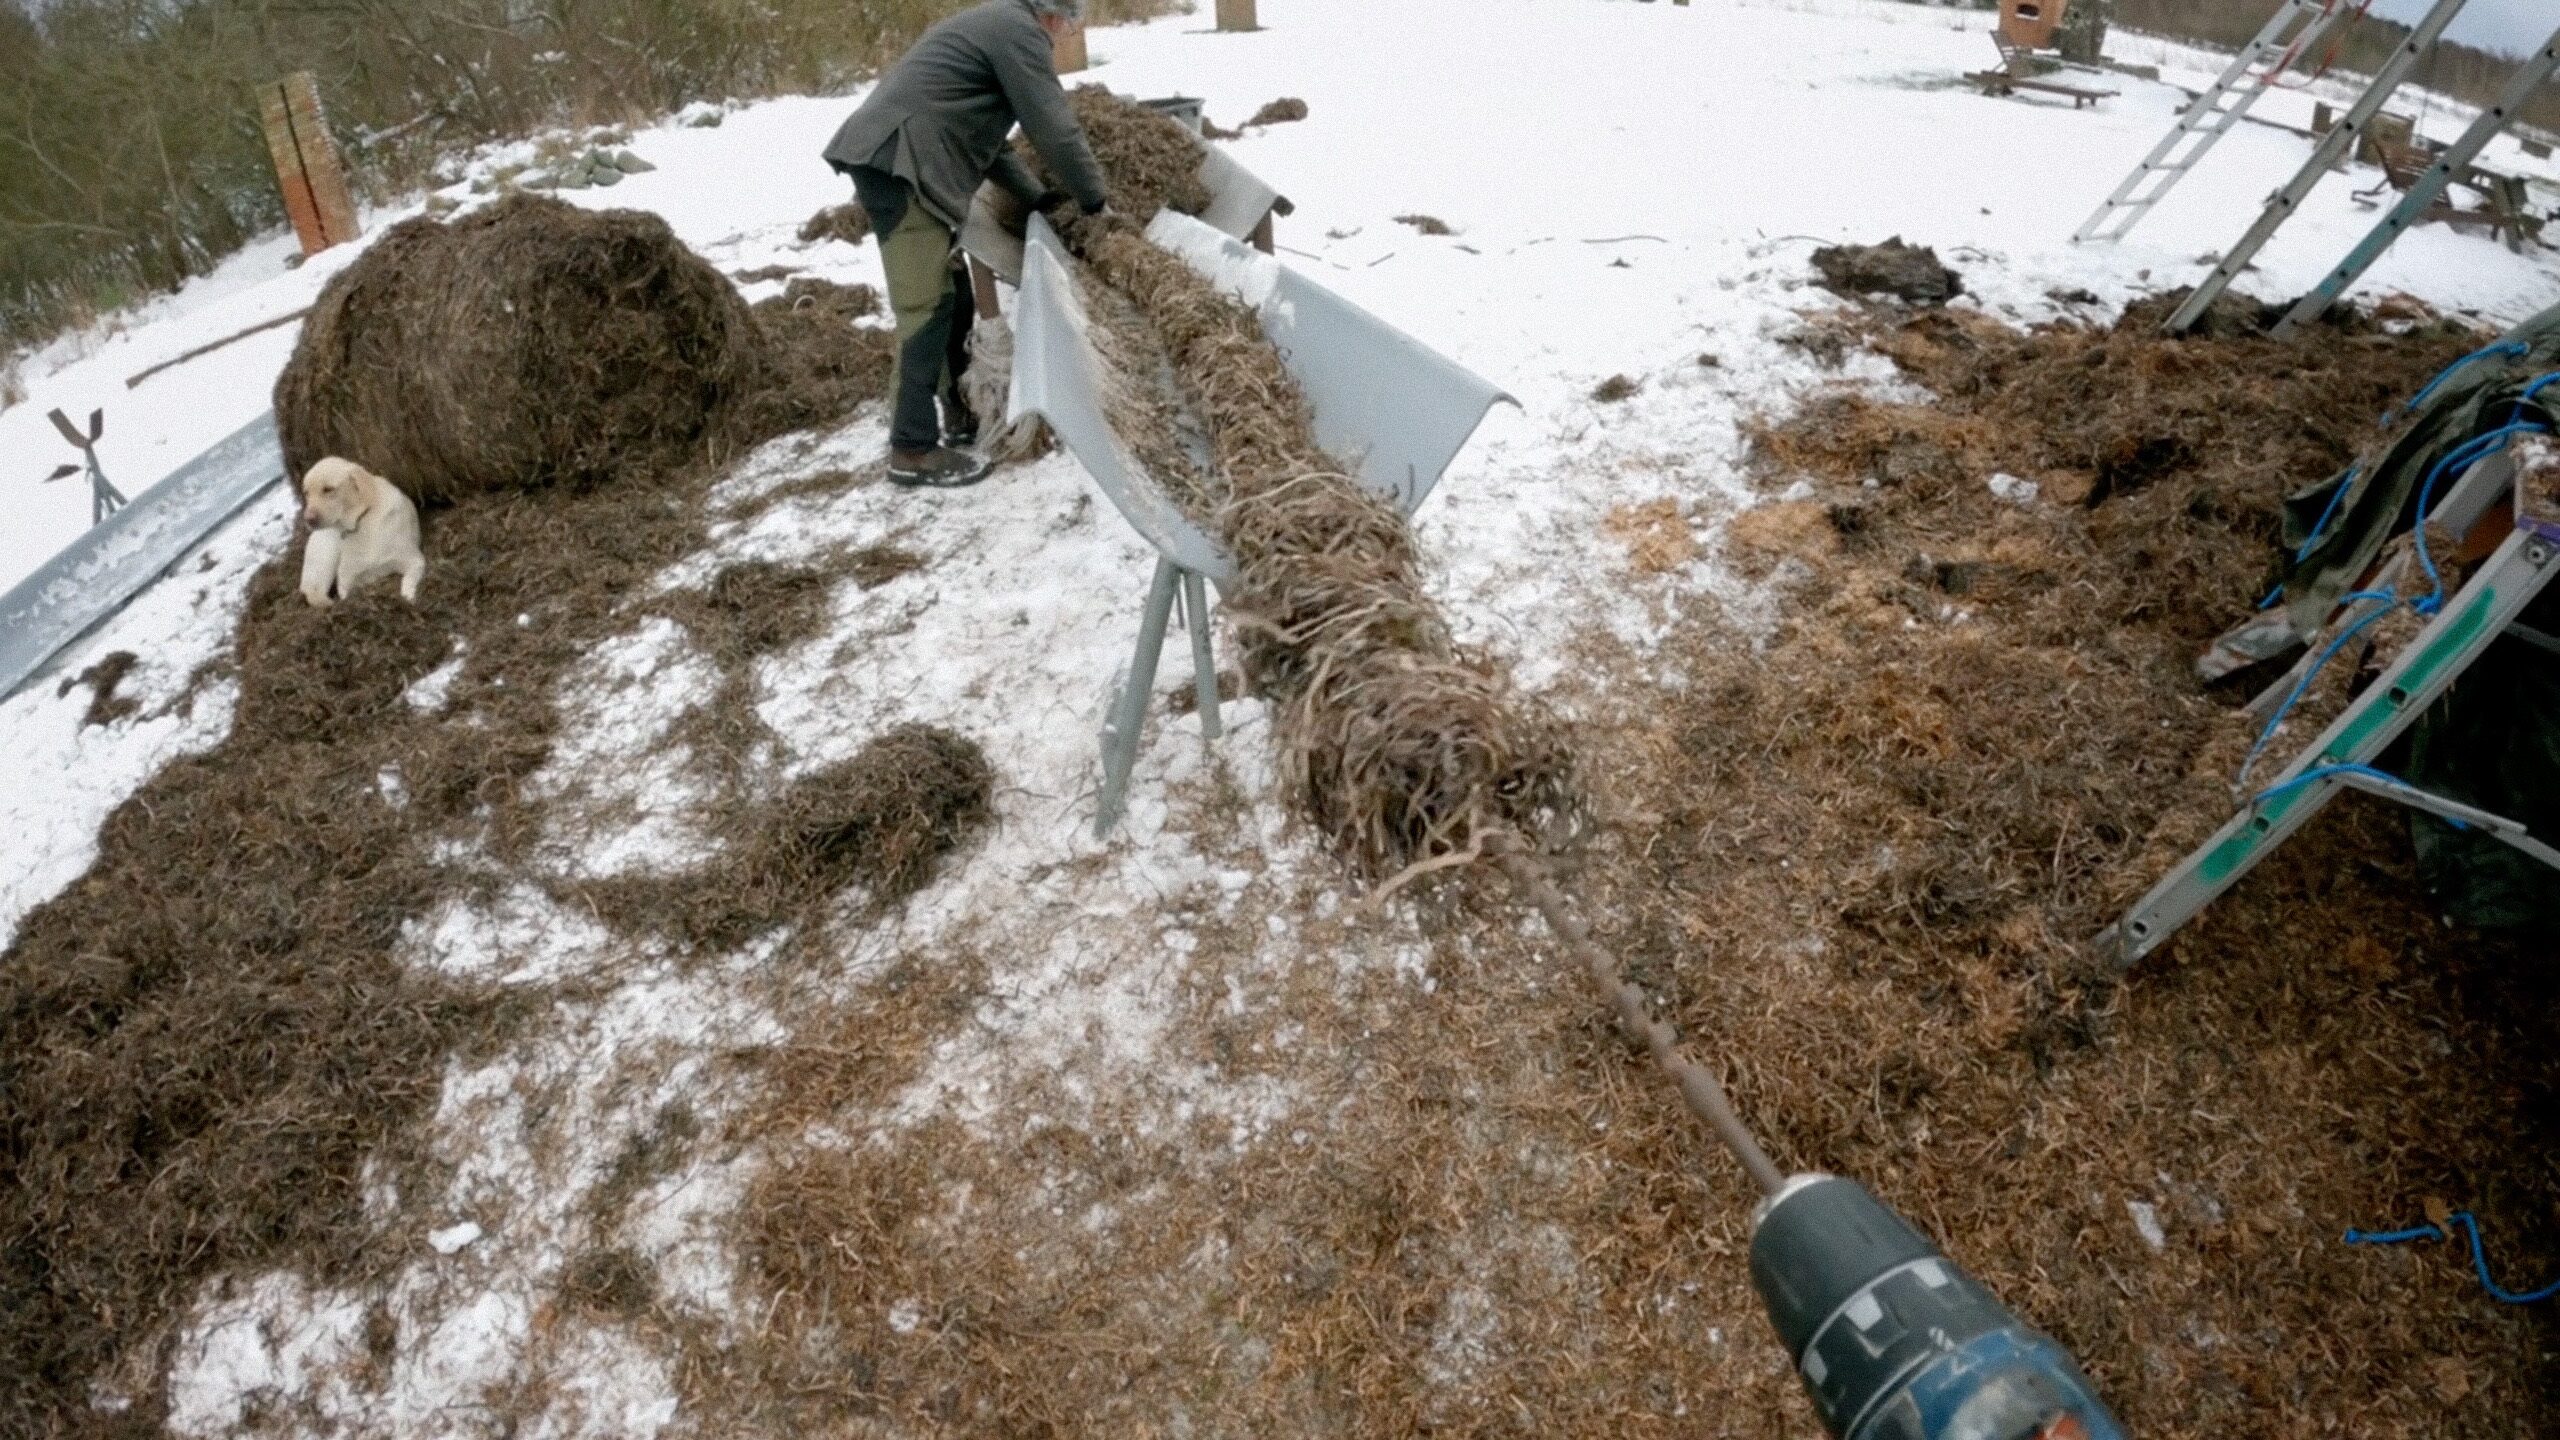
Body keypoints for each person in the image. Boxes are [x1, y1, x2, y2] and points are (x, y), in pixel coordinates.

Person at [823, 0, 1112, 489]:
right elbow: (1053, 128)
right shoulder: (1020, 32)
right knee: (926, 305)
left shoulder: (997, 24)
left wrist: (1037, 197)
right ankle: (911, 449)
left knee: (952, 295)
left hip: (902, 156)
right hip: (899, 161)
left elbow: (991, 145)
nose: (1067, 33)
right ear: (1054, 14)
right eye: (1070, 21)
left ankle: (957, 413)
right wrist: (1095, 201)